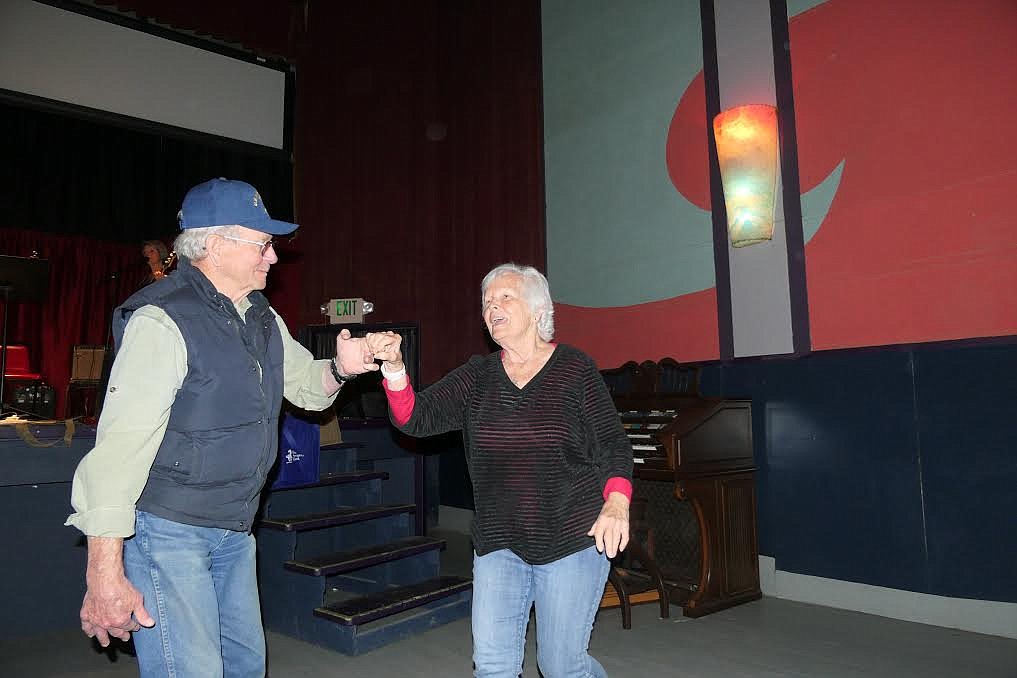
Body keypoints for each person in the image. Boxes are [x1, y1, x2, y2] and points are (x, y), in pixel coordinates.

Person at [66, 178, 379, 677]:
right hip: (170, 532)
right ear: (214, 244)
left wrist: (341, 367)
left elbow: (307, 388)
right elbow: (117, 453)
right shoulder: (163, 320)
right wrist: (104, 570)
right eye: (262, 243)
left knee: (245, 666)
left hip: (234, 530)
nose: (273, 257)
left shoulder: (260, 316)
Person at [367, 263, 632, 678]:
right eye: (487, 302)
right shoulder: (479, 375)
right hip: (499, 541)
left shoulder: (574, 369)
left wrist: (617, 502)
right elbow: (415, 418)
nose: (492, 307)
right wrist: (395, 368)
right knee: (492, 666)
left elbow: (612, 442)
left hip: (571, 537)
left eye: (504, 297)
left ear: (537, 307)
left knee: (561, 666)